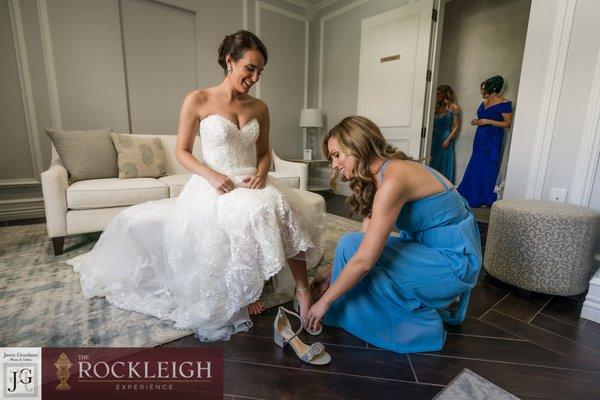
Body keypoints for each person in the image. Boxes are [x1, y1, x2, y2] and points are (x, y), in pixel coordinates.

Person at [68, 30, 324, 341]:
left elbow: (264, 153)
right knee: (248, 215)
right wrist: (211, 175)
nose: (255, 77)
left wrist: (261, 171)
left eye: (260, 71)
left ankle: (302, 288)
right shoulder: (198, 99)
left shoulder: (260, 107)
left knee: (284, 208)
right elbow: (182, 151)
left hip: (252, 180)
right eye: (250, 68)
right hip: (216, 182)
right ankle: (247, 291)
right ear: (230, 61)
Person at [306, 116, 482, 353]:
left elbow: (365, 260)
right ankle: (348, 306)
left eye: (337, 155)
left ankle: (419, 325)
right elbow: (363, 238)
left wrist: (325, 302)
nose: (334, 165)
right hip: (429, 250)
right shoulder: (382, 175)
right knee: (348, 245)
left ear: (357, 145)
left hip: (453, 262)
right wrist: (331, 274)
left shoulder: (393, 181)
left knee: (355, 260)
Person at [457, 75, 513, 207]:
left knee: (488, 166)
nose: (481, 92)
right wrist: (476, 121)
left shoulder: (505, 104)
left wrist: (488, 121)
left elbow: (507, 124)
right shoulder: (483, 103)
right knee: (476, 163)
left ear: (492, 88)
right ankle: (472, 194)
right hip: (480, 137)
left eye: (483, 89)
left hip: (493, 138)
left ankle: (487, 196)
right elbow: (481, 118)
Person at [430, 85, 460, 183]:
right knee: (432, 162)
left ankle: (443, 186)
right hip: (434, 138)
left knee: (442, 162)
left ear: (445, 94)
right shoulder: (436, 107)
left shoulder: (454, 107)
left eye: (438, 94)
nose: (436, 96)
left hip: (445, 137)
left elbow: (456, 126)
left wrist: (448, 140)